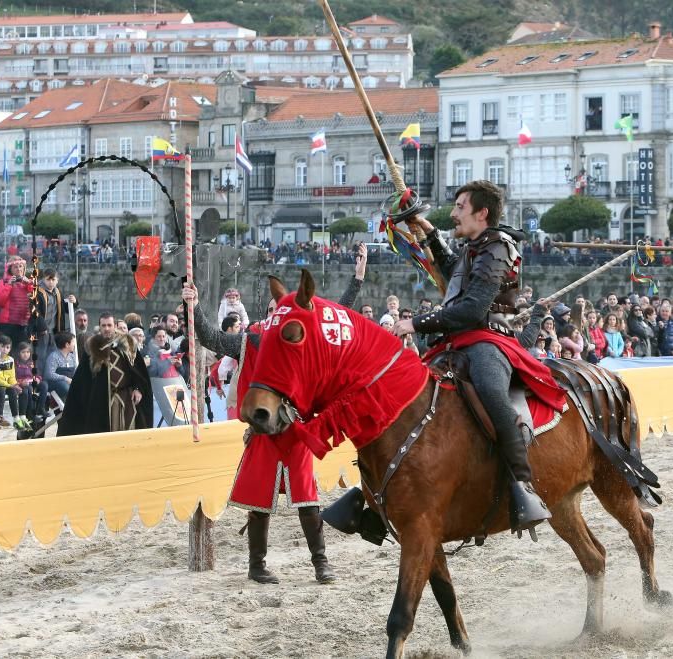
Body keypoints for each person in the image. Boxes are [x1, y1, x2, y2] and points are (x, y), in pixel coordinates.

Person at [178, 244, 367, 585]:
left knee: (307, 501)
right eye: (272, 310)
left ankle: (321, 564)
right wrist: (191, 306)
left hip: (295, 431)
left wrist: (357, 279)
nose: (277, 315)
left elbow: (337, 312)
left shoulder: (305, 339)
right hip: (264, 432)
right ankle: (256, 566)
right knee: (259, 502)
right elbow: (208, 336)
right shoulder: (251, 341)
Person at [395, 180, 566, 534]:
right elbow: (451, 271)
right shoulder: (475, 248)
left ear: (481, 213)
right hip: (456, 340)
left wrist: (414, 322)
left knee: (491, 390)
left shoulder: (498, 248)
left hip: (488, 339)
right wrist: (425, 231)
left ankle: (522, 485)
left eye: (460, 207)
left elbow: (473, 309)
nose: (453, 214)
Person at [57, 318, 152, 435]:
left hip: (126, 397)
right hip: (102, 400)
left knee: (128, 432)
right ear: (99, 327)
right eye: (103, 325)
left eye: (109, 325)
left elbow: (139, 372)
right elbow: (82, 379)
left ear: (115, 326)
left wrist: (138, 389)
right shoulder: (93, 347)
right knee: (105, 433)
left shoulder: (129, 345)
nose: (106, 328)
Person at [32, 268, 78, 371]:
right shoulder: (37, 292)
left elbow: (64, 309)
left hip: (53, 331)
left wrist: (73, 302)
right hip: (41, 331)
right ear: (43, 279)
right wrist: (42, 327)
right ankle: (39, 378)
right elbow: (35, 311)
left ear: (57, 281)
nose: (51, 282)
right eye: (48, 279)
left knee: (52, 355)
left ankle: (51, 376)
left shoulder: (57, 292)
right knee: (40, 356)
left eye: (53, 280)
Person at [0, 256, 35, 345]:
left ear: (24, 268)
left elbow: (36, 301)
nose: (18, 269)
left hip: (24, 323)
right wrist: (9, 285)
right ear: (10, 269)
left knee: (23, 351)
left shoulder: (29, 282)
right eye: (15, 267)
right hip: (7, 323)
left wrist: (29, 285)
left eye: (20, 266)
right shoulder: (3, 281)